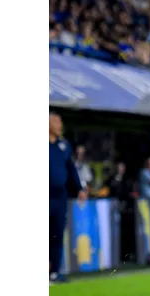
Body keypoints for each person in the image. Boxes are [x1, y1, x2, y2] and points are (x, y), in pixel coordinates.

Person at [49, 113, 86, 283]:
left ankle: (54, 272)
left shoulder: (64, 145)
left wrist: (80, 188)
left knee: (57, 235)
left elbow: (71, 169)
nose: (60, 125)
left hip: (60, 197)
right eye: (56, 122)